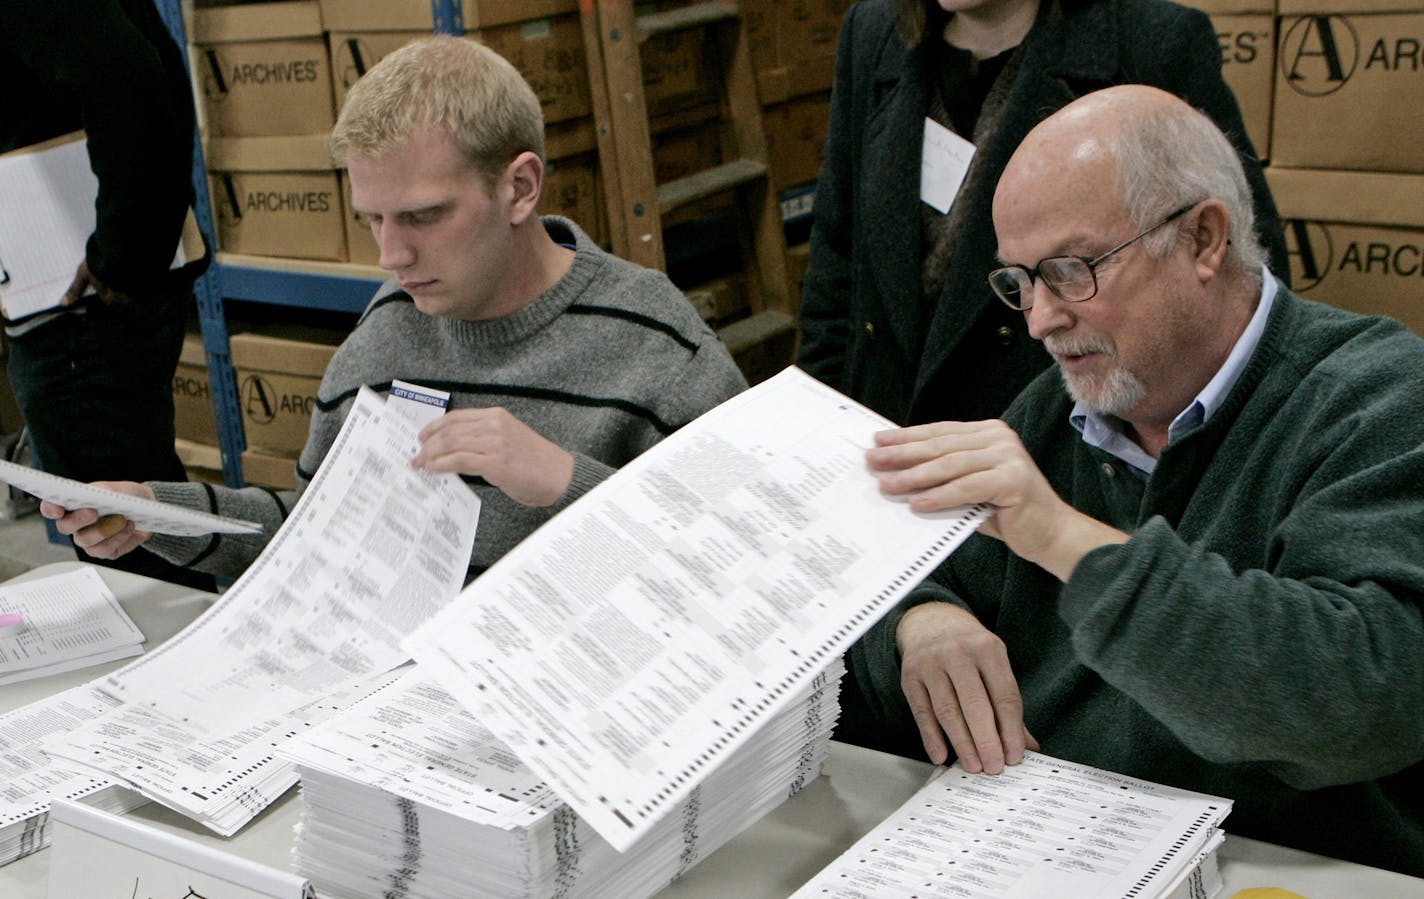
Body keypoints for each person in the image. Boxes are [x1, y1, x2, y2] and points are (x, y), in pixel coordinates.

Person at [847, 84, 1424, 875]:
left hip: (1289, 867)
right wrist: (920, 619)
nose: (1041, 318)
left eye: (1072, 269)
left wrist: (1061, 537)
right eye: (1020, 280)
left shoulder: (1378, 401)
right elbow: (874, 590)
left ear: (1204, 240)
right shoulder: (1060, 403)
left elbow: (1365, 695)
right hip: (1047, 848)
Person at [43, 36, 747, 582]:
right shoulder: (388, 332)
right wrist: (161, 513)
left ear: (521, 187)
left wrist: (567, 481)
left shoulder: (657, 344)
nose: (391, 257)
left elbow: (754, 560)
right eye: (373, 220)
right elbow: (316, 535)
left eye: (423, 216)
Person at [797, 0, 1289, 429]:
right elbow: (837, 262)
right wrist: (813, 425)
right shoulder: (872, 34)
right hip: (887, 434)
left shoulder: (1150, 43)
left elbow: (1240, 272)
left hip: (1064, 450)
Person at [0, 0, 213, 591]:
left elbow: (130, 72)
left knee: (120, 534)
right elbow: (154, 61)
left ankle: (171, 678)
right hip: (75, 290)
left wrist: (123, 255)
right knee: (135, 522)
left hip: (74, 303)